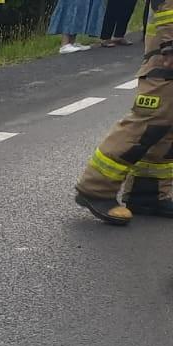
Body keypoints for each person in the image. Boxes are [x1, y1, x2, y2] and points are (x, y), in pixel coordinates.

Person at [74, 0, 173, 224]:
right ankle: (96, 188)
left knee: (165, 126)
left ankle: (147, 193)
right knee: (148, 122)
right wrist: (170, 46)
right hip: (163, 59)